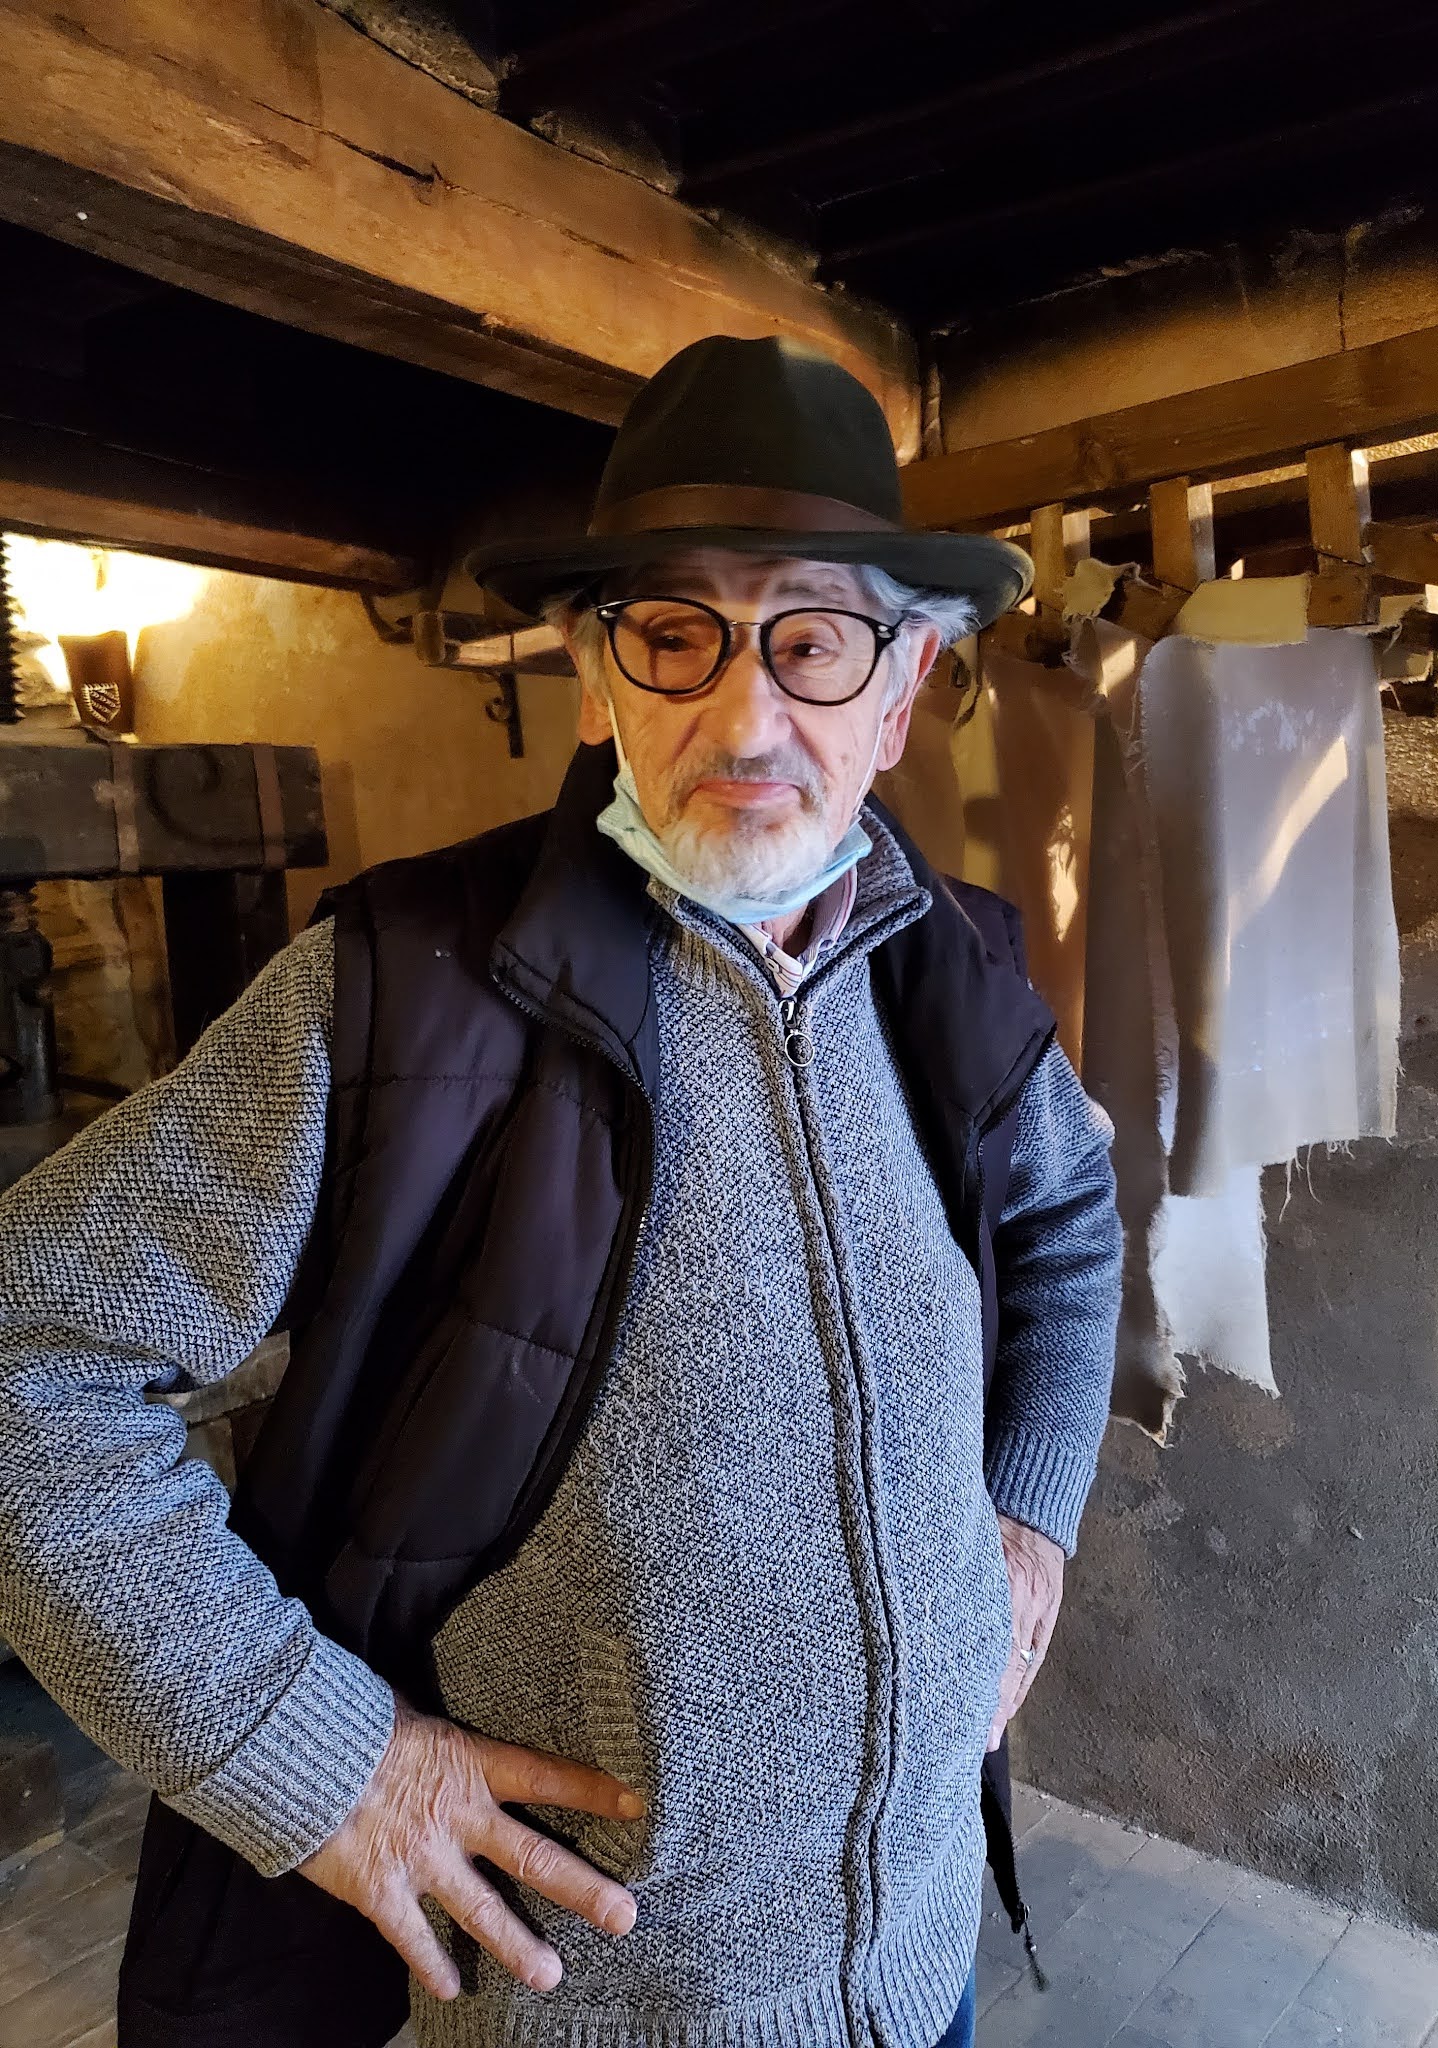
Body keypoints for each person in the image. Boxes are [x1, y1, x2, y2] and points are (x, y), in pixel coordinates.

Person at [0, 335, 1121, 2048]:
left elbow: (1067, 1226)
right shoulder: (399, 994)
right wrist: (328, 1764)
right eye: (676, 633)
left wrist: (1031, 1510)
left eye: (815, 640)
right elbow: (26, 1369)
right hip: (595, 2016)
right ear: (599, 679)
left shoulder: (949, 965)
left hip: (922, 1974)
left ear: (899, 696)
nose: (746, 718)